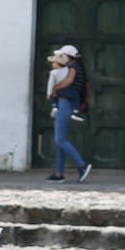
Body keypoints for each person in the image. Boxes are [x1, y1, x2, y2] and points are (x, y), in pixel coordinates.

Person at [45, 44, 92, 184]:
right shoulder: (71, 67)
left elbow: (69, 82)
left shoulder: (73, 68)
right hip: (63, 102)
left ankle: (82, 165)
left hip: (66, 102)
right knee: (60, 140)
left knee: (60, 140)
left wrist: (54, 88)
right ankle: (59, 173)